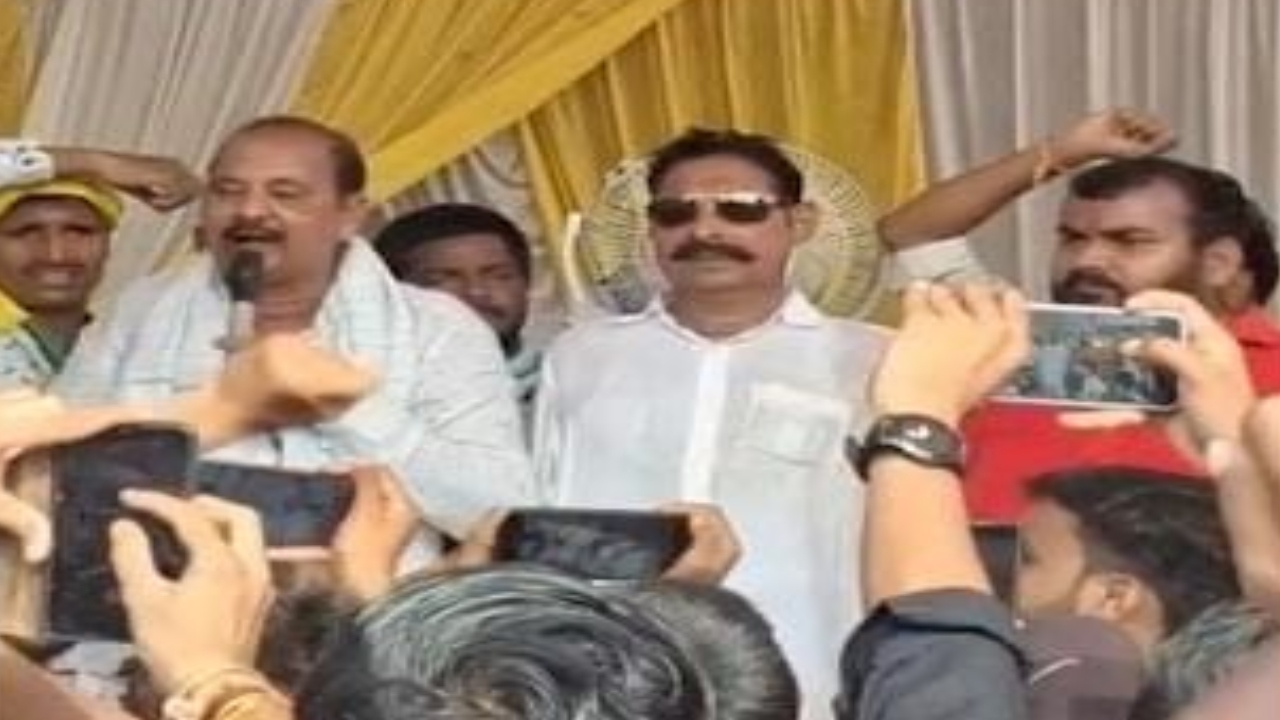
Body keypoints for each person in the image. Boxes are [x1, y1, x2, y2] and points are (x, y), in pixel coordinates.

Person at [534, 127, 887, 713]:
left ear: (800, 223)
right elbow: (545, 512)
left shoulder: (872, 361)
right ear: (651, 229)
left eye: (740, 209)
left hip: (812, 673)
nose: (705, 232)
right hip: (609, 677)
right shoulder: (581, 356)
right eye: (675, 213)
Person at [53, 116, 532, 545]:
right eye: (227, 191)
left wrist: (341, 405)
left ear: (350, 215)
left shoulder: (437, 328)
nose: (250, 211)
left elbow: (495, 511)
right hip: (163, 599)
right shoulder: (143, 309)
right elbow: (53, 469)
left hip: (368, 606)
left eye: (284, 195)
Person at [880, 108, 1280, 520]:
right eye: (1072, 238)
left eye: (1130, 241)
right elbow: (911, 235)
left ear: (1218, 263)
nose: (1087, 260)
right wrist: (1062, 152)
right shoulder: (1011, 344)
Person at [0, 143, 199, 389]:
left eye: (79, 231)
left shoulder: (134, 342)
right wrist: (97, 163)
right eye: (25, 232)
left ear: (108, 242)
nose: (56, 254)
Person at [373, 203, 541, 409]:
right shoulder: (373, 407)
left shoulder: (568, 379)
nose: (476, 291)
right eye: (441, 280)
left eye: (498, 276)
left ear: (527, 282)